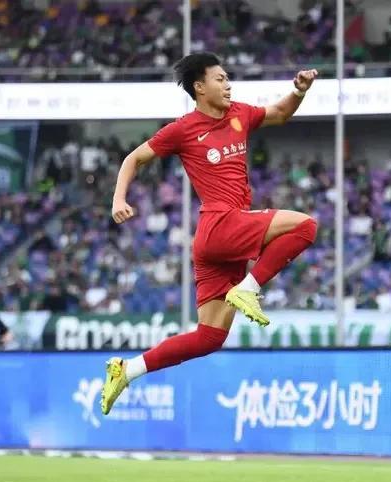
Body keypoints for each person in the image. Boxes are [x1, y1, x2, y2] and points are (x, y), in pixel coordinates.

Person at [101, 53, 319, 415]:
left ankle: (127, 369)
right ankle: (248, 289)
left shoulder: (241, 114)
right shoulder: (183, 129)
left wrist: (298, 91)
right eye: (220, 79)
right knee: (306, 226)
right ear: (200, 87)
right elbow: (133, 159)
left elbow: (281, 113)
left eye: (228, 78)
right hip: (221, 224)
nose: (228, 84)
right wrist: (118, 199)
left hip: (219, 240)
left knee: (209, 337)